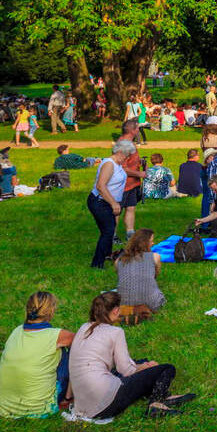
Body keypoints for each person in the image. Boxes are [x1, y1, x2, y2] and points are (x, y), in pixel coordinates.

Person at [69, 292, 193, 419]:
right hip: (105, 404)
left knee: (140, 362)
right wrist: (145, 367)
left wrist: (68, 397)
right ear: (116, 310)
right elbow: (126, 370)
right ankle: (156, 403)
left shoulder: (84, 327)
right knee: (167, 369)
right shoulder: (116, 332)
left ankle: (163, 395)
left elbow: (74, 364)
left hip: (82, 403)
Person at [0, 292, 75, 418]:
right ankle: (68, 398)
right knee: (69, 352)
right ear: (51, 311)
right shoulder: (57, 336)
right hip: (39, 408)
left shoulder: (16, 331)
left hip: (4, 406)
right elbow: (84, 345)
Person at [87, 139, 134, 268]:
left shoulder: (117, 164)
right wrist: (114, 203)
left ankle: (107, 254)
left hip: (106, 201)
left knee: (109, 229)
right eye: (127, 155)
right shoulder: (109, 164)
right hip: (99, 201)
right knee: (108, 232)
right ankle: (97, 264)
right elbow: (101, 186)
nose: (127, 158)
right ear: (119, 152)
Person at [115, 229, 165, 312]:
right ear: (144, 243)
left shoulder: (119, 260)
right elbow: (155, 275)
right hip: (151, 304)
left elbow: (120, 276)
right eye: (151, 241)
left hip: (124, 303)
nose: (153, 243)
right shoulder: (155, 257)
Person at [118, 120, 146, 241]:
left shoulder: (130, 143)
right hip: (123, 185)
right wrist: (139, 173)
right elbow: (121, 168)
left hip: (132, 183)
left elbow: (131, 161)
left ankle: (130, 233)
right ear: (132, 130)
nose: (138, 130)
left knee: (130, 207)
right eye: (137, 128)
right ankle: (112, 235)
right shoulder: (123, 145)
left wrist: (141, 164)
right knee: (117, 210)